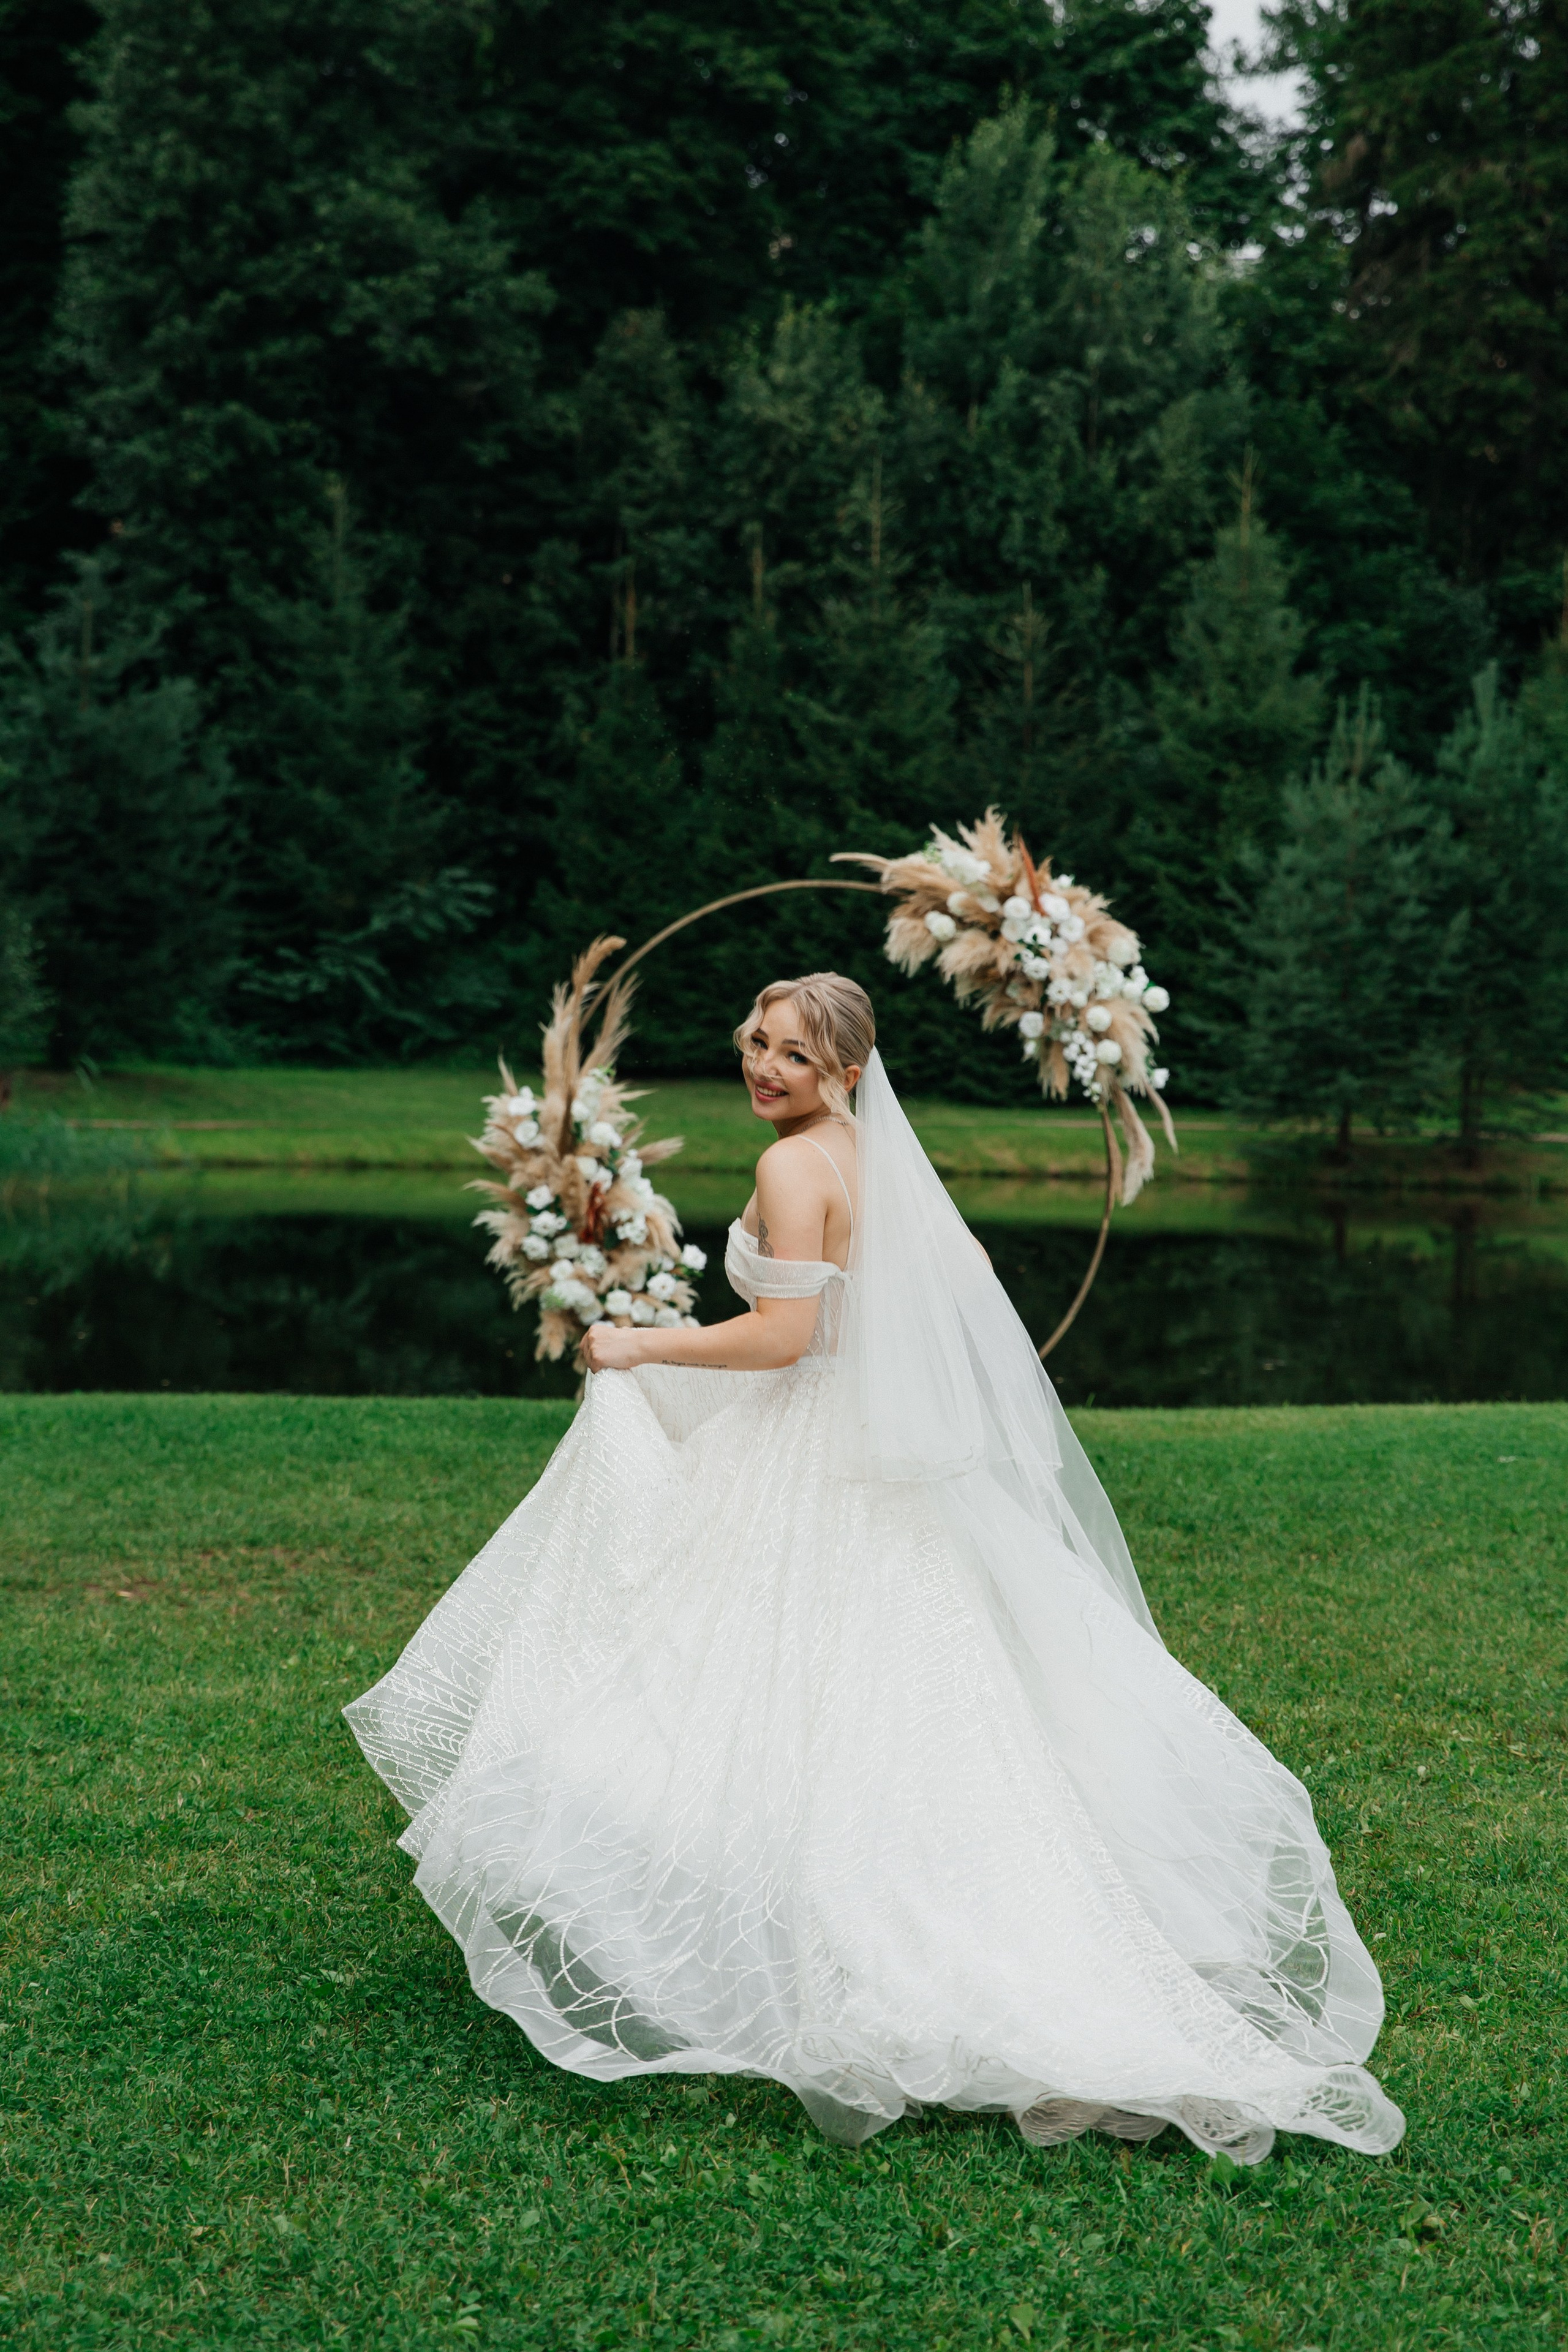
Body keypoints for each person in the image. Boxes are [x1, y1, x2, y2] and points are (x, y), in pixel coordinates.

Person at [345, 972, 1403, 2163]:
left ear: (844, 1070)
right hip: (861, 1465)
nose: (762, 1067)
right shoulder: (872, 1159)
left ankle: (846, 1949)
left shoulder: (794, 1168)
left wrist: (640, 1340)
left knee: (732, 1687)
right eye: (754, 1041)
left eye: (791, 1056)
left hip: (807, 1463)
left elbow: (786, 1337)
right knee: (895, 1715)